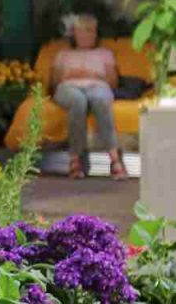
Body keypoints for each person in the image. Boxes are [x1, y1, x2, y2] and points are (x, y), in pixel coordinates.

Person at [48, 13, 129, 180]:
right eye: (83, 31)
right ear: (75, 34)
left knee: (100, 100)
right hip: (69, 87)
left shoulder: (104, 53)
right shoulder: (64, 54)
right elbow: (54, 83)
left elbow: (113, 83)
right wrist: (70, 74)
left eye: (91, 31)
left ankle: (114, 159)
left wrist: (92, 74)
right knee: (78, 101)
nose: (88, 35)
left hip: (98, 86)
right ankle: (75, 159)